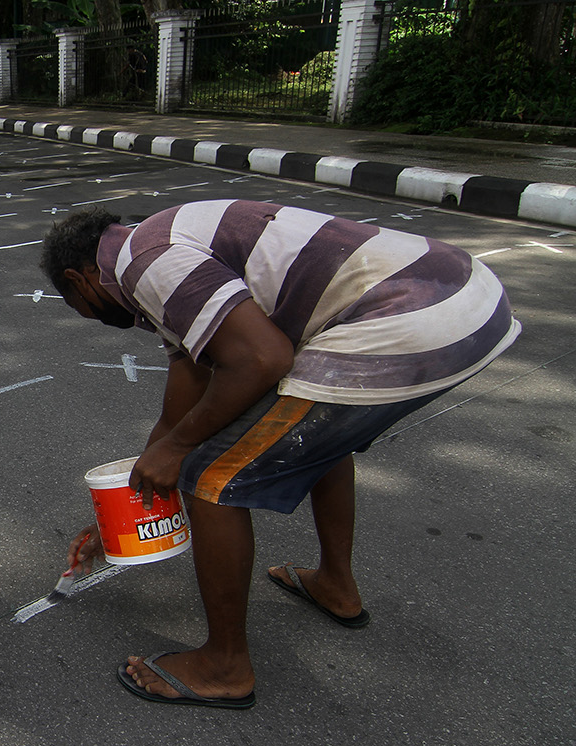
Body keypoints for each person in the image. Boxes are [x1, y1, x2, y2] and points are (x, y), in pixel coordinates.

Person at [41, 199, 520, 709]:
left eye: (78, 306)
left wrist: (182, 451)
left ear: (81, 278)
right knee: (309, 436)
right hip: (465, 298)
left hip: (414, 317)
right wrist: (122, 514)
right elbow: (188, 393)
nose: (90, 317)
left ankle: (224, 667)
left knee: (209, 481)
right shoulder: (158, 255)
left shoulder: (149, 262)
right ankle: (335, 585)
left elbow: (261, 358)